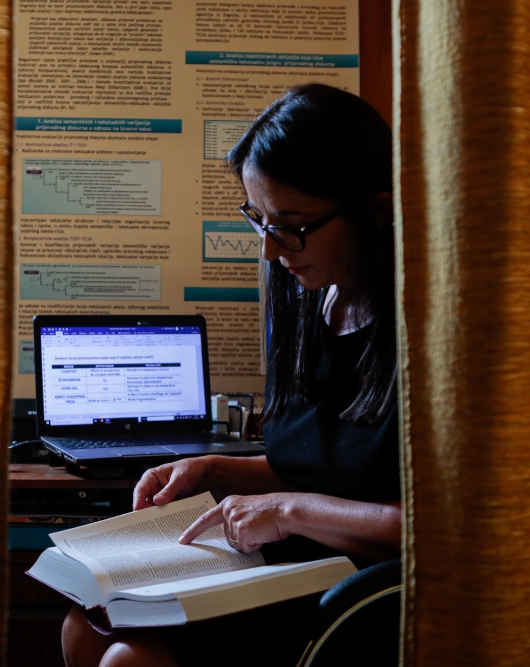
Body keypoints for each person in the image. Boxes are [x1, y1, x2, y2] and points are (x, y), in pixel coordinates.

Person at [61, 83, 401, 667]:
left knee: (126, 660)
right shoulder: (312, 297)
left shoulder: (430, 336)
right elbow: (324, 465)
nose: (270, 251)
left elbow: (436, 524)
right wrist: (214, 469)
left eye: (290, 224)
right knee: (84, 625)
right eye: (258, 219)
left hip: (358, 589)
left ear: (377, 211)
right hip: (289, 555)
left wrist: (286, 510)